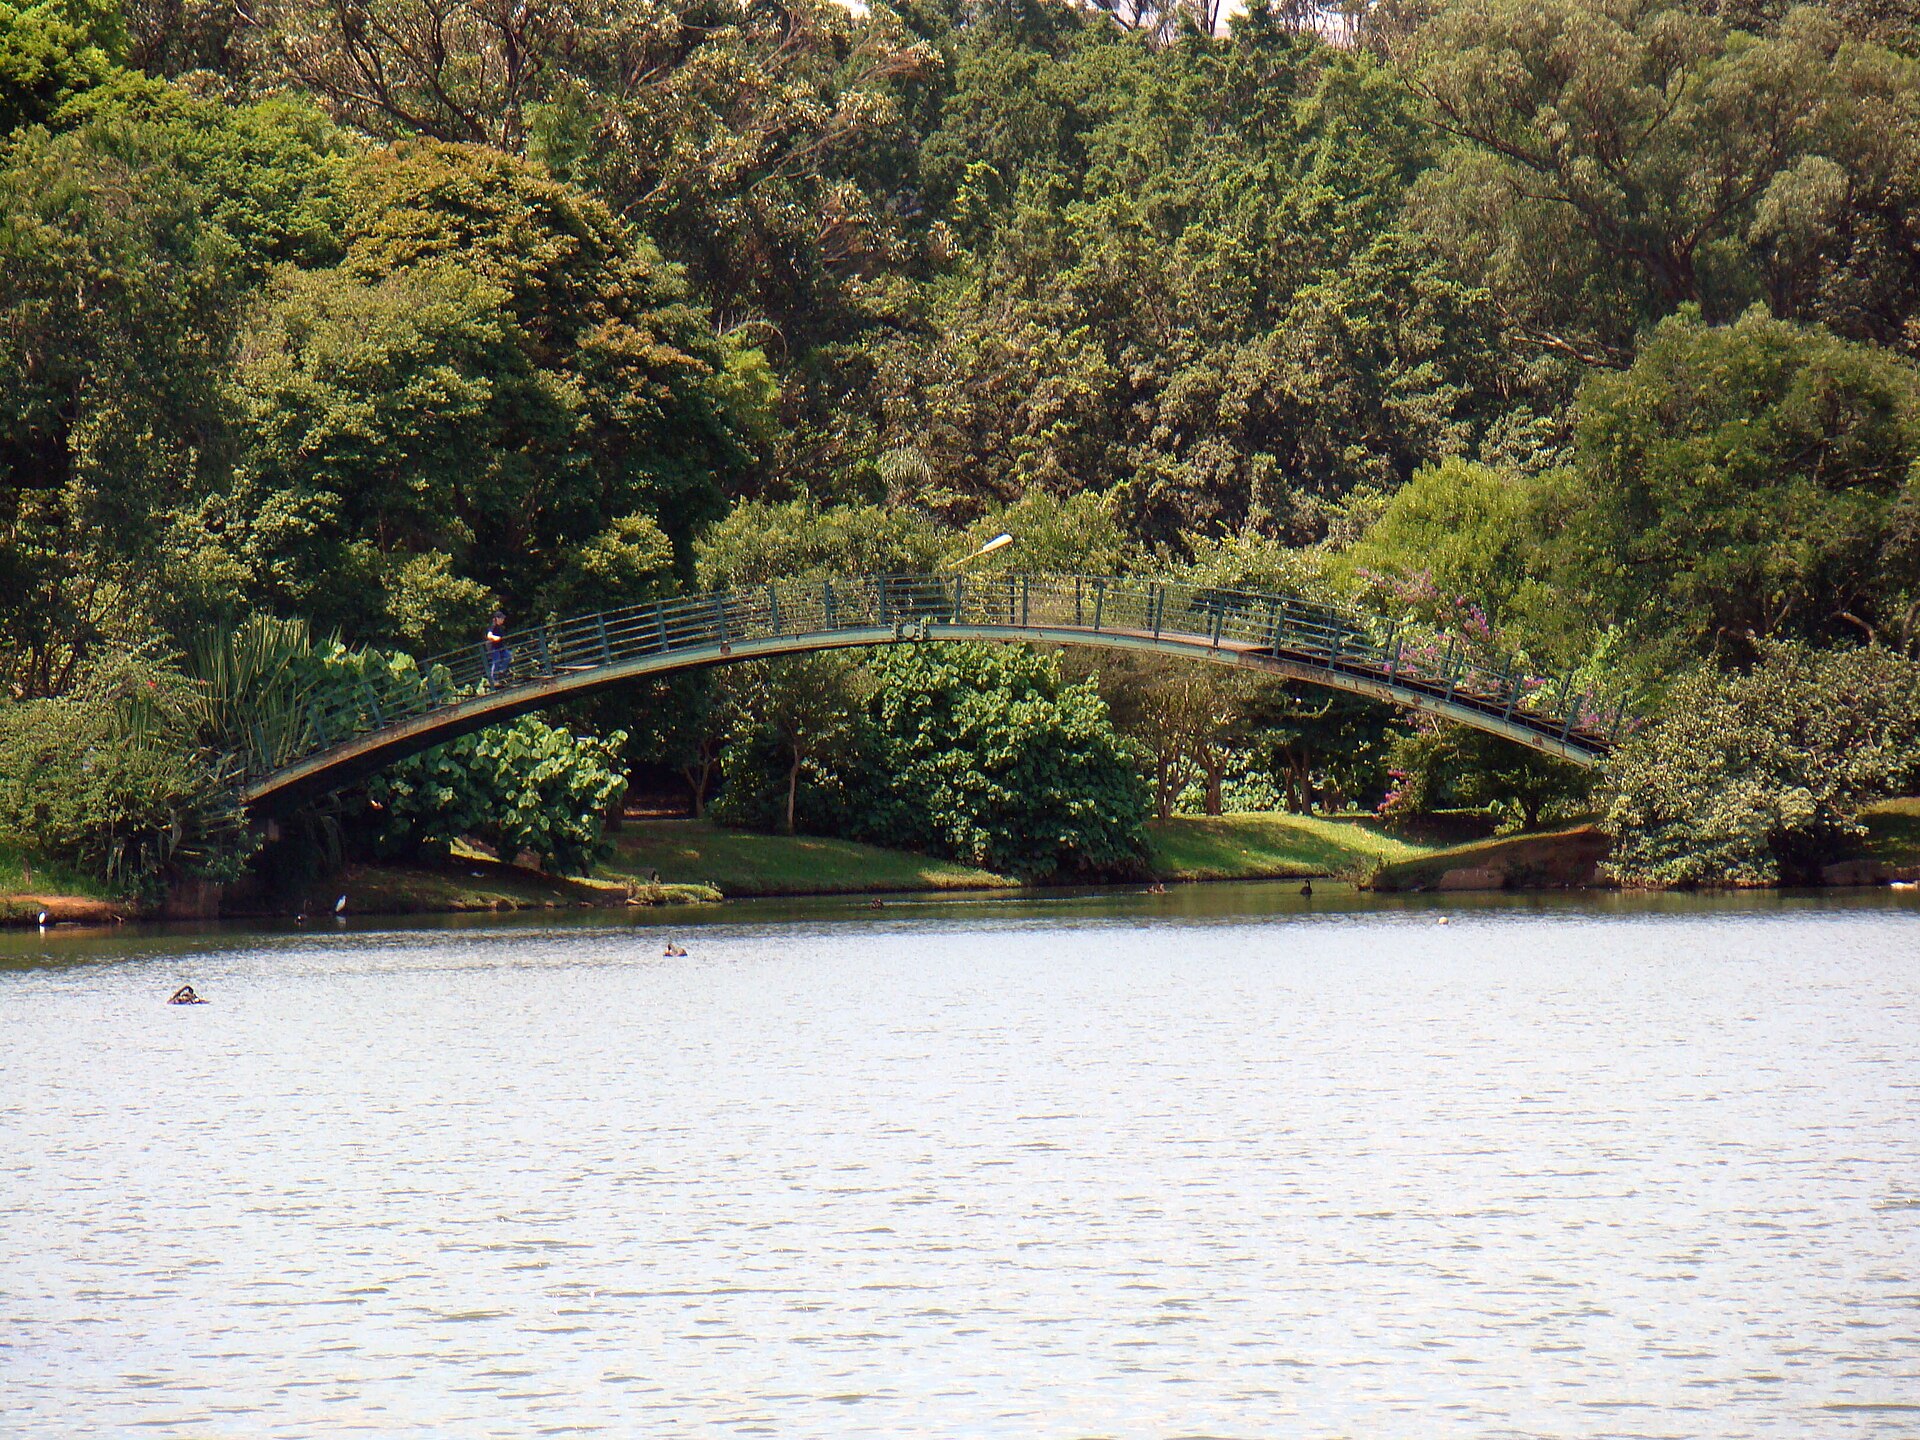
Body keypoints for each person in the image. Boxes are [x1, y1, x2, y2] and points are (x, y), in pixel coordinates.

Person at [485, 611, 511, 686]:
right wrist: (495, 637)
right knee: (496, 661)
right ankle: (493, 679)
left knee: (508, 656)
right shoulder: (492, 626)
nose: (503, 620)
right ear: (497, 618)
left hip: (500, 647)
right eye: (501, 618)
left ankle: (501, 672)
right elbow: (489, 635)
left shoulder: (500, 627)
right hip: (494, 647)